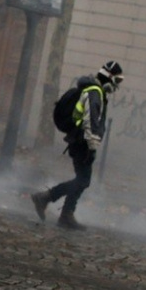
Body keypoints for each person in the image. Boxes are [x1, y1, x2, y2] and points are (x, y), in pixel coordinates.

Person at [30, 61, 125, 230]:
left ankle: (63, 212)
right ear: (109, 77)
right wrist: (92, 146)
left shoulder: (94, 91)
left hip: (80, 141)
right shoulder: (94, 92)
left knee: (82, 180)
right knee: (83, 180)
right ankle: (48, 200)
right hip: (82, 142)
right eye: (116, 81)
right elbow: (90, 121)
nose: (116, 86)